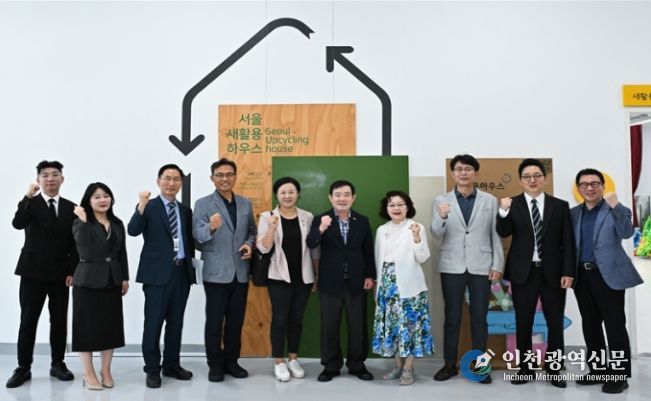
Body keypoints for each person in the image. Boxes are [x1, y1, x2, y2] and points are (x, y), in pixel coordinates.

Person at [496, 158, 575, 388]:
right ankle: (526, 368)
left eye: (537, 175)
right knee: (523, 321)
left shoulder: (559, 206)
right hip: (524, 272)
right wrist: (503, 211)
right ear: (521, 181)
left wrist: (568, 272)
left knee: (555, 322)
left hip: (553, 273)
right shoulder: (513, 204)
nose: (532, 180)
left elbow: (568, 241)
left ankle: (554, 368)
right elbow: (503, 232)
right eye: (527, 176)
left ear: (545, 179)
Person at [430, 154, 504, 384]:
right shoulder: (441, 200)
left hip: (482, 265)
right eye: (459, 169)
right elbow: (435, 233)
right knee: (452, 317)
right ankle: (449, 365)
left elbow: (496, 234)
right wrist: (441, 217)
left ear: (476, 173)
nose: (463, 173)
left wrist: (497, 264)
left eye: (468, 169)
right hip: (451, 265)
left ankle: (480, 367)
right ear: (453, 173)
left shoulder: (489, 200)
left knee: (480, 318)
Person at [571, 168, 643, 394]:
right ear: (579, 188)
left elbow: (627, 233)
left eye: (594, 184)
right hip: (582, 275)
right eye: (584, 184)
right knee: (590, 325)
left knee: (615, 326)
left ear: (603, 186)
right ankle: (598, 370)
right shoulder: (573, 213)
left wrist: (616, 206)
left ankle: (619, 375)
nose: (589, 188)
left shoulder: (617, 209)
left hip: (609, 275)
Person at [7, 160, 77, 388]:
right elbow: (17, 223)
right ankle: (23, 367)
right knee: (28, 320)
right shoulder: (31, 203)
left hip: (60, 274)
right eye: (45, 175)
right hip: (32, 271)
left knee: (59, 320)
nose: (50, 178)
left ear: (62, 179)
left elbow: (74, 243)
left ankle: (58, 363)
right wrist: (27, 196)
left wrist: (72, 271)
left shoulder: (71, 207)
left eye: (55, 174)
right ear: (38, 179)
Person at [127, 164, 195, 388]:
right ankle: (152, 369)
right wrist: (141, 205)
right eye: (167, 178)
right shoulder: (149, 206)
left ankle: (171, 365)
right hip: (156, 275)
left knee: (176, 324)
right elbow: (133, 230)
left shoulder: (185, 210)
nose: (171, 183)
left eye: (176, 179)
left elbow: (188, 241)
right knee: (153, 324)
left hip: (181, 273)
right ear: (158, 181)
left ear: (181, 183)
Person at [193, 158, 256, 382]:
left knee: (235, 321)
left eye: (229, 174)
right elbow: (196, 237)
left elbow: (252, 231)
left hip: (240, 271)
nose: (225, 179)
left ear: (235, 177)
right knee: (214, 321)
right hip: (215, 272)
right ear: (212, 178)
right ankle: (215, 365)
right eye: (219, 175)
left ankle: (232, 361)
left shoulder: (245, 203)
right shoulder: (203, 204)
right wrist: (210, 227)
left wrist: (249, 244)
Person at [306, 180, 376, 382]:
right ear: (330, 198)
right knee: (329, 326)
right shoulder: (321, 219)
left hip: (357, 281)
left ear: (353, 198)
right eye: (337, 195)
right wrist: (321, 228)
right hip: (330, 281)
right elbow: (311, 243)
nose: (342, 199)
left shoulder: (362, 221)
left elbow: (368, 250)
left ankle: (357, 365)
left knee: (357, 325)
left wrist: (369, 275)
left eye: (346, 195)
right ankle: (330, 365)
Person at [256, 177, 319, 382]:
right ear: (277, 195)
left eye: (291, 192)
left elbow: (313, 247)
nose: (287, 196)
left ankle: (293, 359)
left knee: (296, 319)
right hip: (278, 276)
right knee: (280, 319)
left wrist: (316, 275)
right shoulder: (267, 216)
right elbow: (263, 248)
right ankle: (279, 361)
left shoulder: (307, 217)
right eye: (283, 192)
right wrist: (272, 228)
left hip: (303, 276)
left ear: (298, 194)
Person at [72, 183, 129, 390]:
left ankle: (106, 371)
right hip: (87, 281)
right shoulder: (80, 222)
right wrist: (84, 220)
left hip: (112, 280)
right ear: (88, 201)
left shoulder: (117, 223)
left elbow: (121, 252)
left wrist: (124, 277)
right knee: (86, 329)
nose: (102, 200)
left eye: (106, 196)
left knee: (110, 328)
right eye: (97, 197)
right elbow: (83, 246)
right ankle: (88, 373)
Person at [373, 190, 433, 386]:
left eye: (400, 204)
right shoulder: (382, 230)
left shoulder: (415, 227)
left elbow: (423, 257)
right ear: (386, 209)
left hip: (410, 285)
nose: (396, 208)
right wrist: (378, 285)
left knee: (411, 326)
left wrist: (416, 237)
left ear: (408, 207)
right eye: (391, 205)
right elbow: (377, 259)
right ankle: (398, 366)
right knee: (392, 326)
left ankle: (408, 368)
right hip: (387, 284)